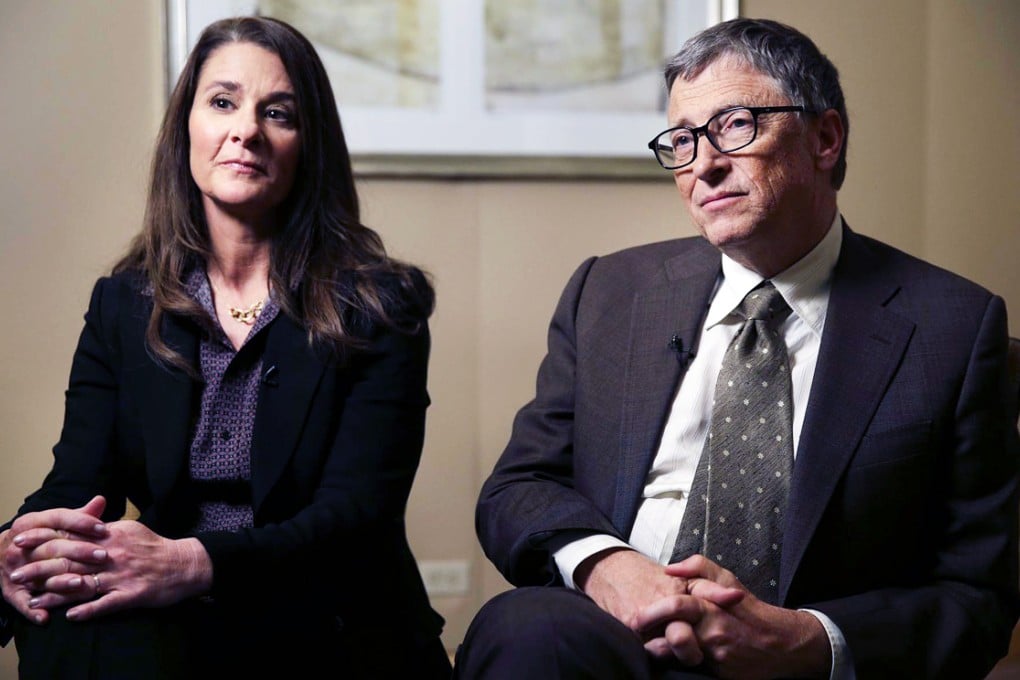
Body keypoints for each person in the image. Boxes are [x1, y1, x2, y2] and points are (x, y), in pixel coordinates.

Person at [454, 17, 1019, 680]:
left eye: (735, 126)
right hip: (609, 645)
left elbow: (977, 596)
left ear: (825, 138)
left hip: (793, 665)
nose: (704, 165)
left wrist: (809, 641)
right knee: (524, 629)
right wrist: (609, 566)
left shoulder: (951, 327)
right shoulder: (609, 293)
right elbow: (520, 486)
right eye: (683, 141)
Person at [0, 16, 452, 679]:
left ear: (309, 144)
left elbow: (355, 517)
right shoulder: (124, 304)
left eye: (279, 113)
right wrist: (18, 547)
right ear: (187, 124)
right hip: (168, 611)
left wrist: (192, 562)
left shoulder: (381, 303)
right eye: (222, 102)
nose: (246, 129)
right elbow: (77, 482)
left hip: (326, 609)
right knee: (70, 620)